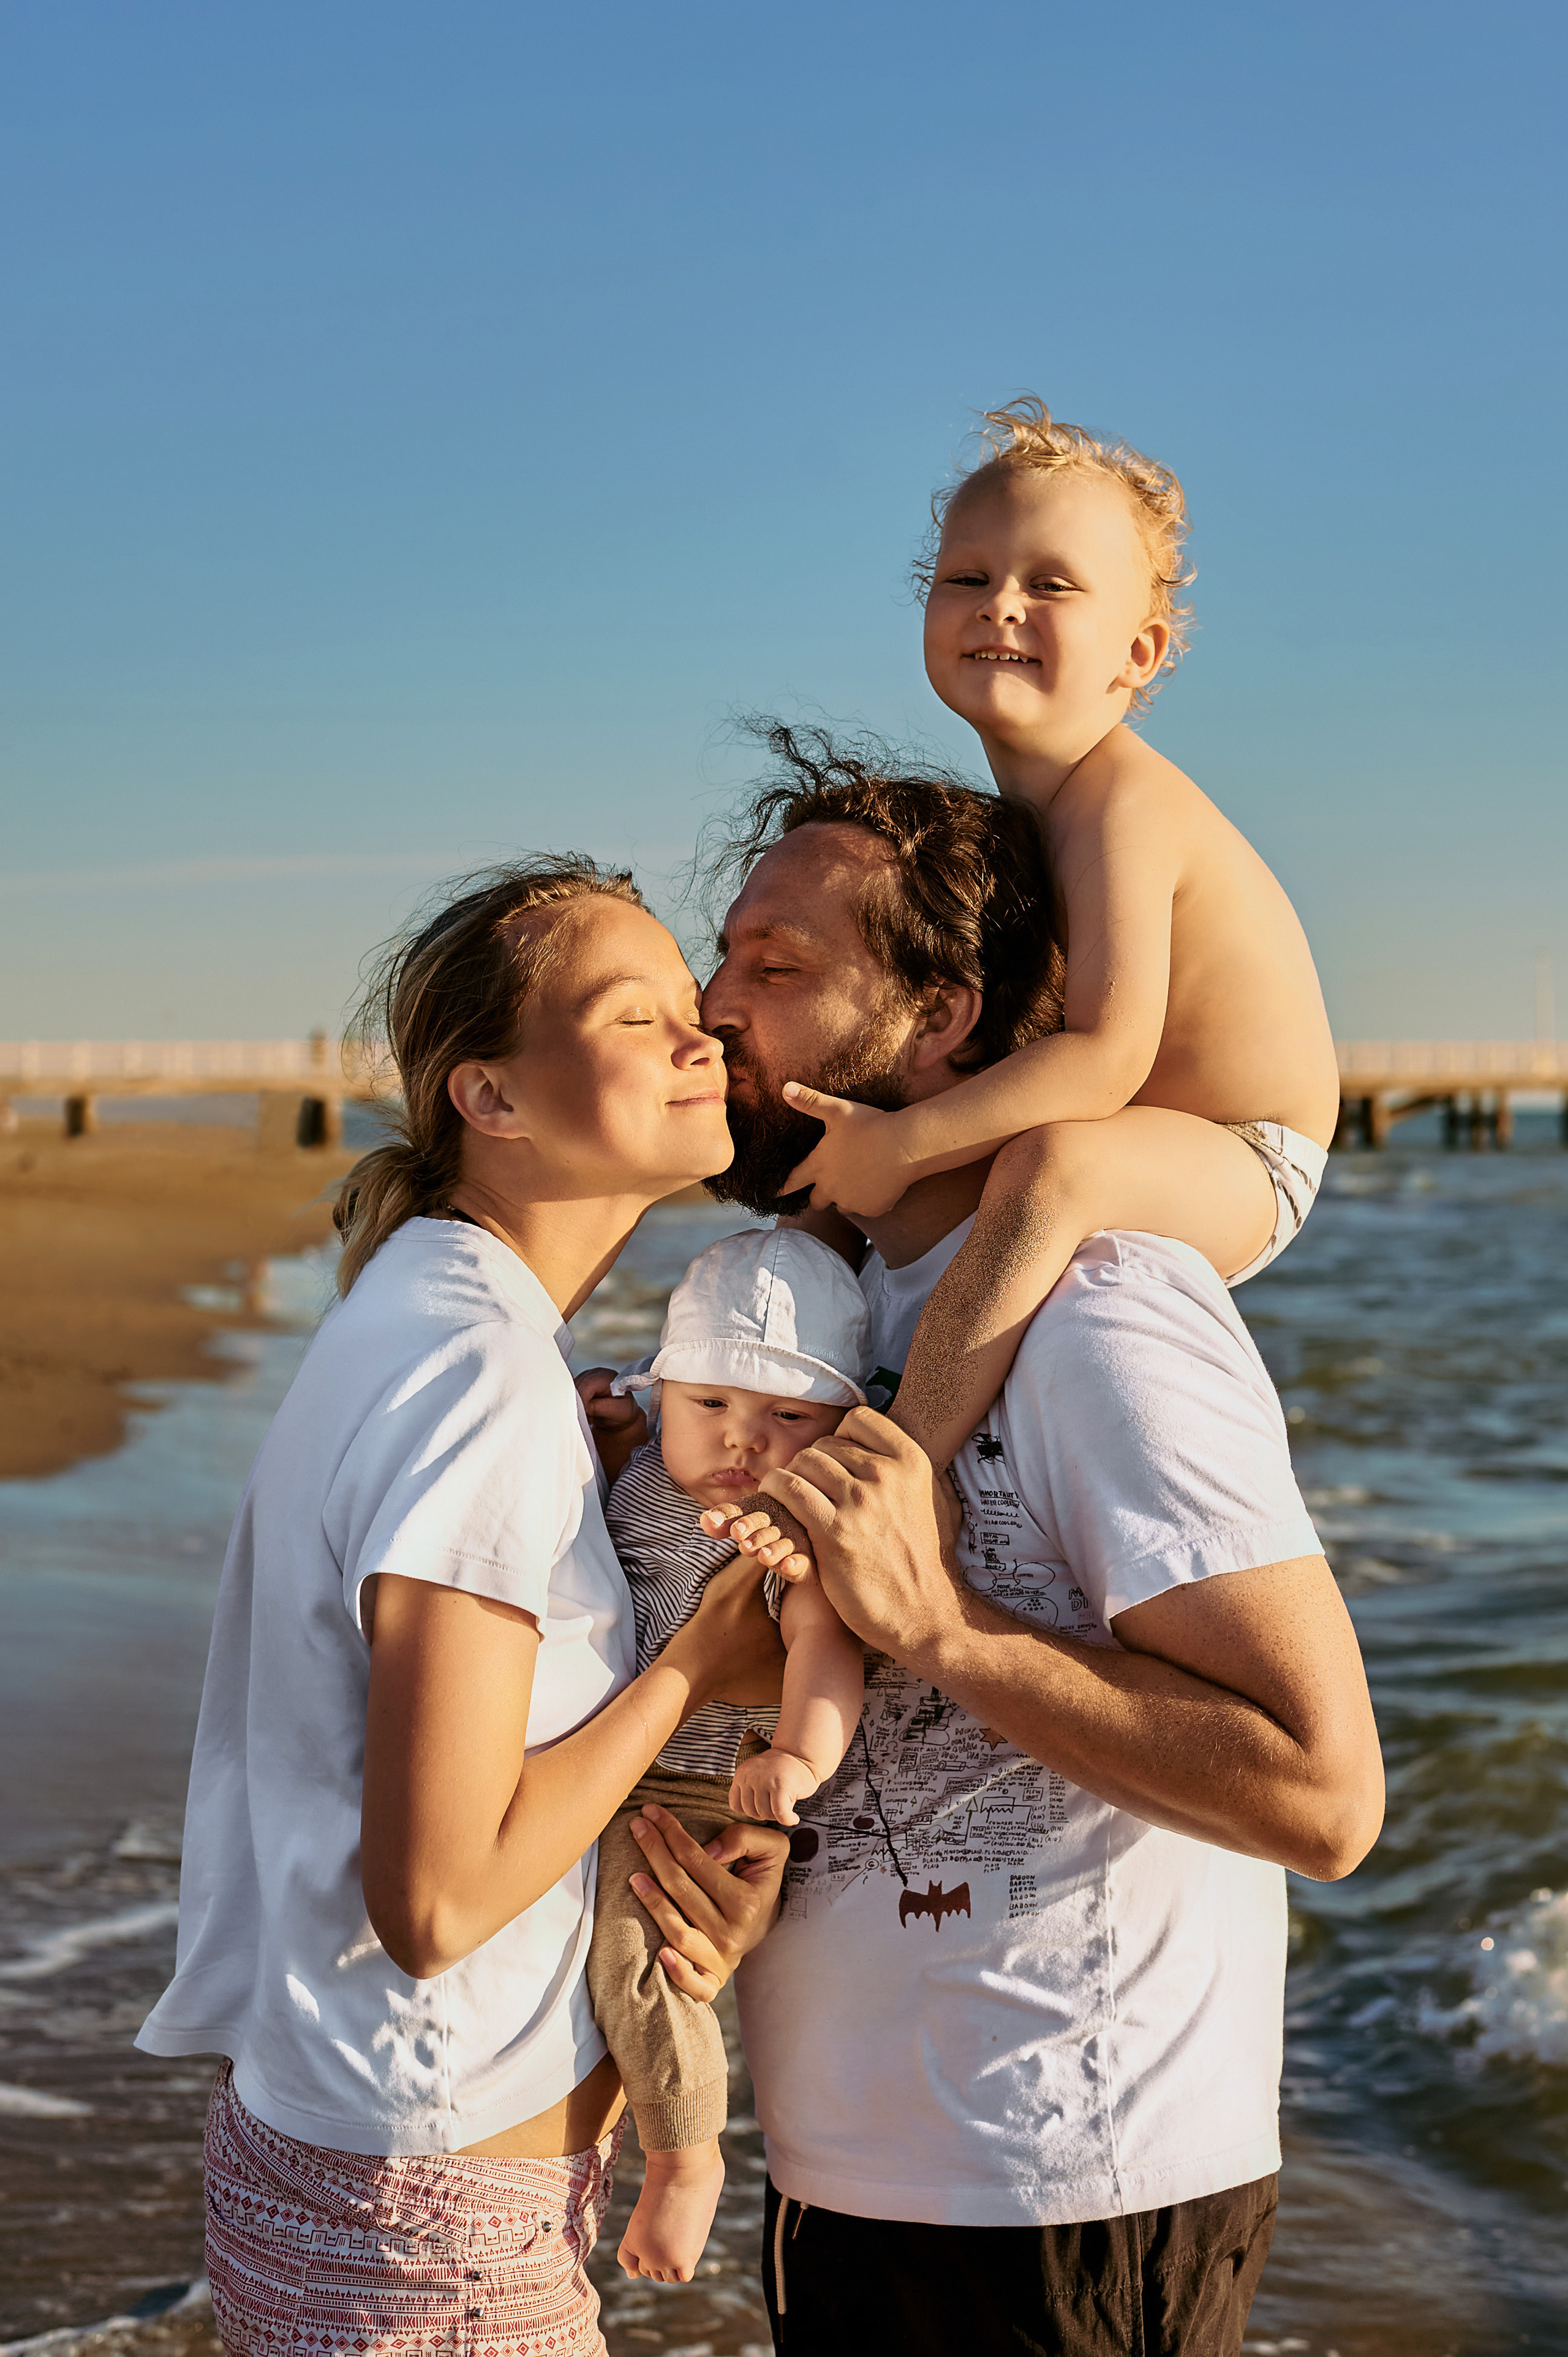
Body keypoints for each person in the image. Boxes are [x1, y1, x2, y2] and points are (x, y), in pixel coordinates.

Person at [699, 730, 1385, 2355]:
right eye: (723, 951)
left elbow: (1325, 1792)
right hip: (838, 2191)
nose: (714, 1002)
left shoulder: (1105, 1315)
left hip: (1066, 2213)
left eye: (776, 965)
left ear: (940, 1022)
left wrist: (942, 1630)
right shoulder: (842, 1313)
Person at [135, 858, 790, 2357]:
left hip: (356, 2170)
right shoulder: (479, 1379)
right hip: (427, 2236)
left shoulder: (441, 1323)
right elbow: (432, 1901)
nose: (698, 1037)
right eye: (634, 1016)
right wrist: (697, 1669)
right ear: (487, 1098)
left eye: (684, 1005)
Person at [780, 399, 1343, 1471]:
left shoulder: (1121, 802)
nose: (1001, 606)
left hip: (1244, 1153)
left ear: (1138, 651)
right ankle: (764, 1377)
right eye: (968, 578)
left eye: (1051, 585)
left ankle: (902, 1459)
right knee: (859, 1150)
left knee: (1052, 1166)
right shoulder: (1026, 813)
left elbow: (1109, 1055)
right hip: (1143, 1126)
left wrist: (899, 1149)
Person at [574, 1225, 870, 2284]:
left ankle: (686, 2155)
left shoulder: (789, 1526)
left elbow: (823, 1645)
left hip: (697, 1784)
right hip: (609, 1756)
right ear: (667, 1398)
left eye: (787, 1417)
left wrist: (796, 1757)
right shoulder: (652, 1471)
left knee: (639, 1956)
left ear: (837, 1425)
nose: (742, 1441)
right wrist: (602, 1441)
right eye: (711, 1406)